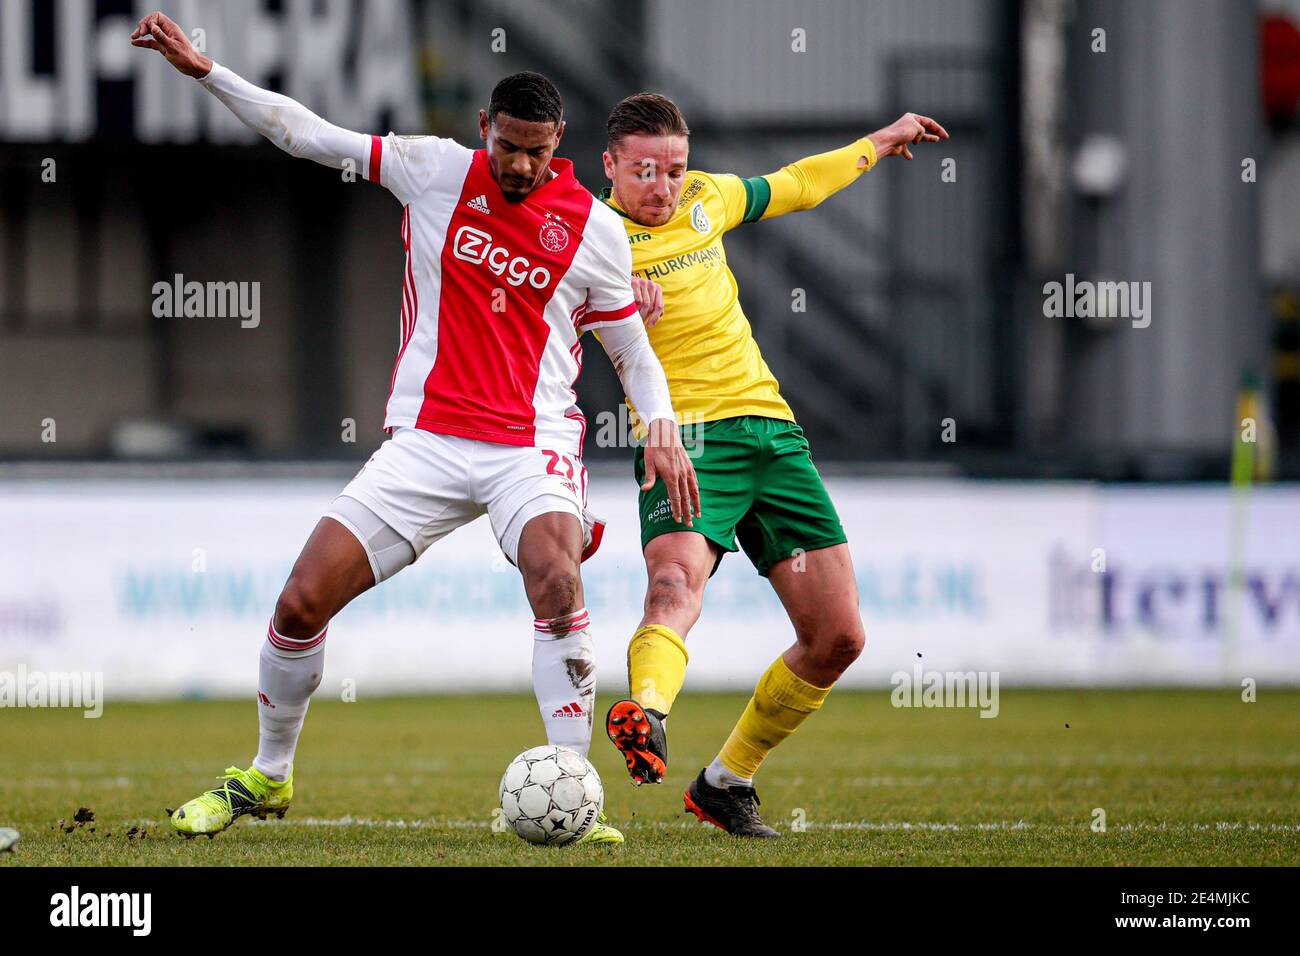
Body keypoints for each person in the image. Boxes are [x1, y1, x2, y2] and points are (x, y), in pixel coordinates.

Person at [131, 11, 698, 845]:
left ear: (560, 142)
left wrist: (661, 425)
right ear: (484, 130)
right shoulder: (433, 171)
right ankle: (268, 776)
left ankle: (575, 793)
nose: (521, 165)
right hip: (427, 443)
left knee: (554, 570)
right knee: (299, 602)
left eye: (539, 151)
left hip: (528, 443)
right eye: (509, 146)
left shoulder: (596, 229)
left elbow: (630, 348)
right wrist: (210, 73)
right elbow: (308, 135)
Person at [598, 92, 947, 836]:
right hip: (684, 438)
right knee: (672, 583)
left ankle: (726, 782)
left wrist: (880, 139)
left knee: (839, 638)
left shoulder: (706, 199)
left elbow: (797, 183)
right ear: (611, 167)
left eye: (673, 169)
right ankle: (648, 714)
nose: (661, 187)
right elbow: (539, 328)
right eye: (643, 172)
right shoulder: (588, 239)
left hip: (772, 432)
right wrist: (605, 306)